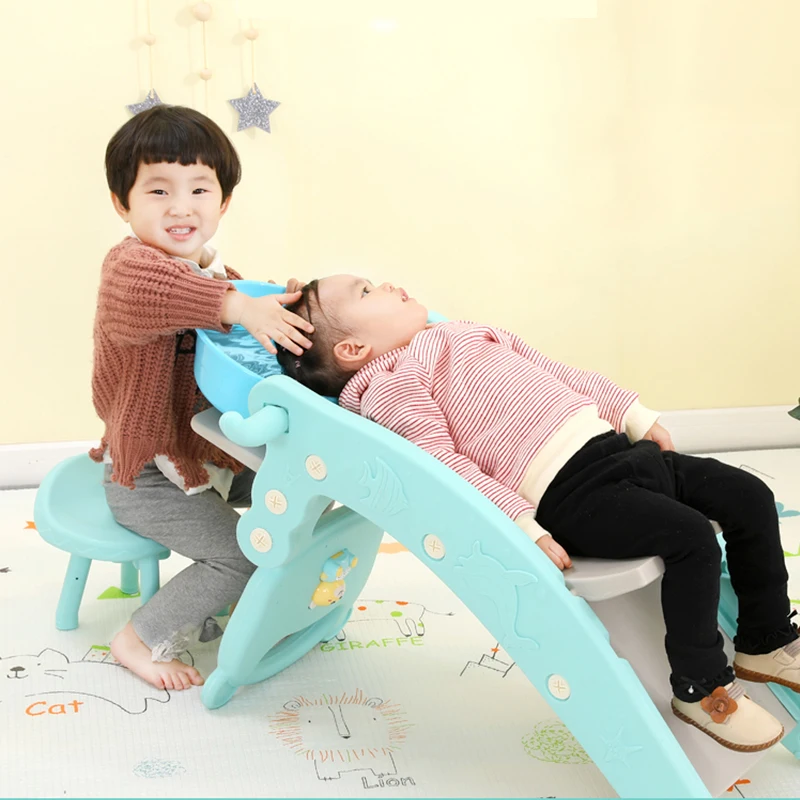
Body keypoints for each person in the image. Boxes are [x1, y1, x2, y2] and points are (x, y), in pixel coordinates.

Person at [275, 273, 799, 752]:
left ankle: (766, 640)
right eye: (367, 292)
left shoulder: (460, 332)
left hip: (620, 451)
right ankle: (701, 688)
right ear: (352, 349)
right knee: (691, 538)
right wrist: (518, 523)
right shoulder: (391, 387)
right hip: (572, 496)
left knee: (749, 495)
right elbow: (443, 465)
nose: (388, 283)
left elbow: (556, 373)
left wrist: (630, 412)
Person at [91, 105, 314, 690]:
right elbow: (169, 292)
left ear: (224, 202)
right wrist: (238, 305)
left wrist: (280, 306)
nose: (181, 206)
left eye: (199, 189)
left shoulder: (211, 274)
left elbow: (233, 306)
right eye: (158, 190)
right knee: (238, 554)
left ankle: (270, 600)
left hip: (204, 456)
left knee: (296, 487)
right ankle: (137, 639)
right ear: (121, 203)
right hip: (145, 476)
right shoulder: (128, 270)